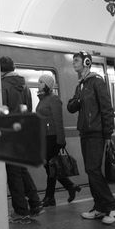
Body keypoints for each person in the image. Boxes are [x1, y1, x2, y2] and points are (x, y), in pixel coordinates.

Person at [67, 51, 115, 225]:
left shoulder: (97, 82)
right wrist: (77, 101)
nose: (74, 63)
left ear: (87, 62)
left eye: (77, 60)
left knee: (93, 170)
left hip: (96, 133)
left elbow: (106, 108)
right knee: (91, 171)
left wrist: (108, 134)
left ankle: (112, 206)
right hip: (85, 132)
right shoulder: (81, 85)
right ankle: (99, 207)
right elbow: (71, 107)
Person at [0, 56, 43, 223]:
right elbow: (29, 110)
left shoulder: (3, 86)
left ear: (1, 70)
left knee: (14, 174)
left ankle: (21, 211)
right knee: (22, 171)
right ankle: (35, 204)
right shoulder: (24, 87)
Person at [35, 74, 81, 207]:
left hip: (52, 138)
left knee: (50, 167)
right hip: (45, 138)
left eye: (41, 82)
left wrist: (60, 140)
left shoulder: (54, 99)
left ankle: (50, 197)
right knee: (51, 167)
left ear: (47, 85)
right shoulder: (42, 99)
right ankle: (70, 187)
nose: (38, 84)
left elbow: (58, 121)